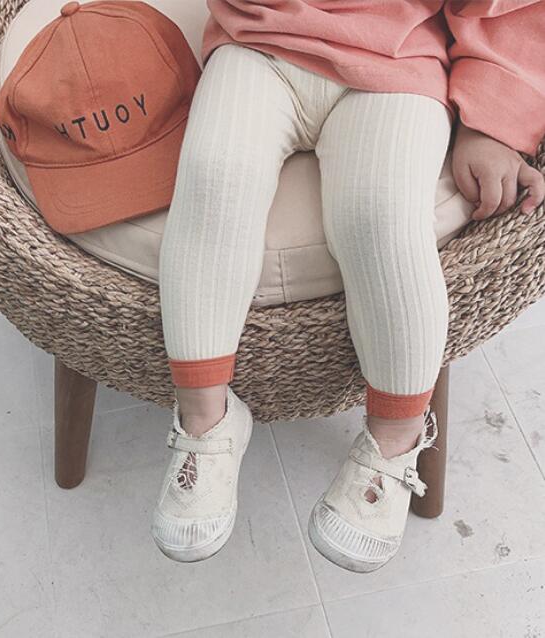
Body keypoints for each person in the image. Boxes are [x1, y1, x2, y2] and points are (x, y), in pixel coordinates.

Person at [150, 0, 545, 570]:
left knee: (379, 215)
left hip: (400, 55)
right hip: (259, 38)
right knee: (213, 179)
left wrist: (491, 122)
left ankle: (396, 440)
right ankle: (204, 417)